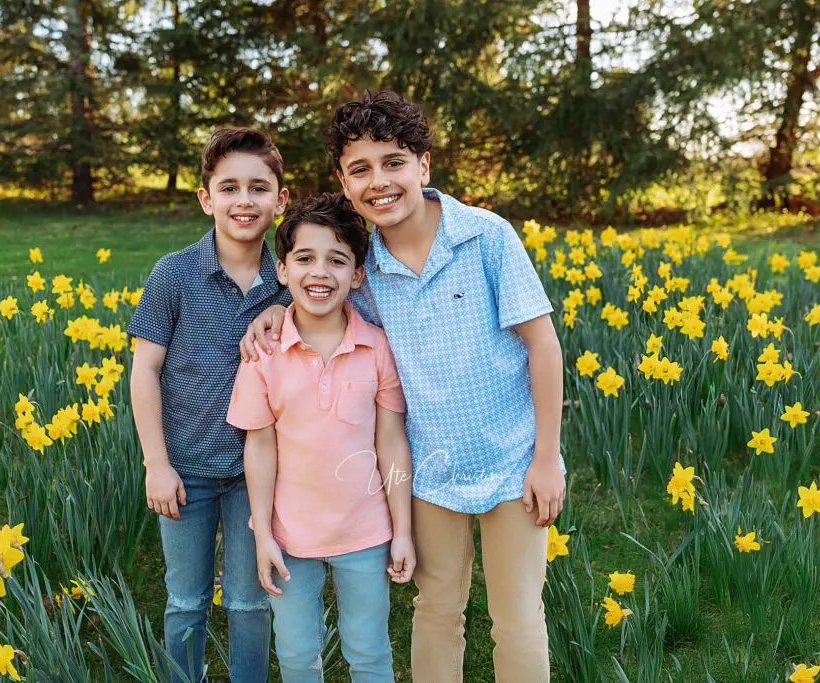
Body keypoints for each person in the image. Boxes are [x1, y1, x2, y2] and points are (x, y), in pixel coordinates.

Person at [241, 91, 567, 683]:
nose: (379, 182)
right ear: (343, 182)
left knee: (516, 618)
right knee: (439, 609)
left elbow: (543, 346)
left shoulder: (486, 238)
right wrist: (276, 310)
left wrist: (546, 459)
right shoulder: (366, 269)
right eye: (360, 170)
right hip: (427, 472)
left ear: (423, 164)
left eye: (394, 162)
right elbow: (324, 295)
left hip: (512, 463)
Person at [227, 192, 414, 683]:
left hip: (366, 532)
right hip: (290, 536)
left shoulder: (375, 347)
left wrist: (403, 530)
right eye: (305, 259)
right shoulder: (263, 353)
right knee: (296, 655)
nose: (320, 273)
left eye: (337, 260)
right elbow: (260, 447)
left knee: (369, 651)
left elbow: (391, 442)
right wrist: (263, 534)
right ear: (283, 270)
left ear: (357, 275)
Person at [128, 127, 291, 683]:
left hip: (258, 474)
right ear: (206, 198)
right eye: (229, 188)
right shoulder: (172, 274)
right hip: (185, 471)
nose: (244, 201)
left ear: (280, 199)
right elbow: (144, 370)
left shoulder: (291, 284)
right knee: (186, 600)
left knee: (250, 602)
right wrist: (157, 463)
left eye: (258, 188)